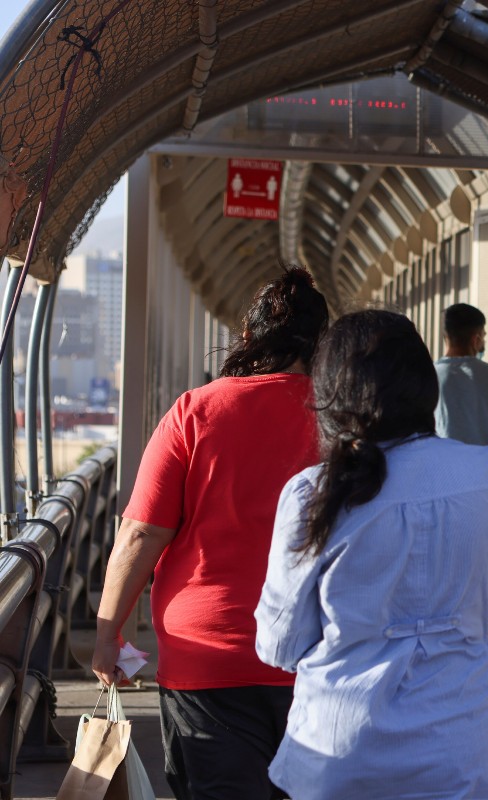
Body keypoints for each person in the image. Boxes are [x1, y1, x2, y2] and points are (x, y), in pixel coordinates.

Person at [255, 309, 488, 800]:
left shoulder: (312, 494)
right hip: (465, 757)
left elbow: (279, 645)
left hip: (338, 756)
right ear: (425, 385)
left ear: (331, 394)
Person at [92, 267, 329, 800]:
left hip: (207, 659)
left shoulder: (195, 412)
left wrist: (109, 633)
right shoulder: (346, 420)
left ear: (247, 338)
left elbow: (140, 534)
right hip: (317, 655)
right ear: (322, 345)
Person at [434, 302, 488, 465]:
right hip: (486, 477)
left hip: (443, 473)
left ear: (446, 336)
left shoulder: (429, 376)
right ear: (476, 339)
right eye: (484, 336)